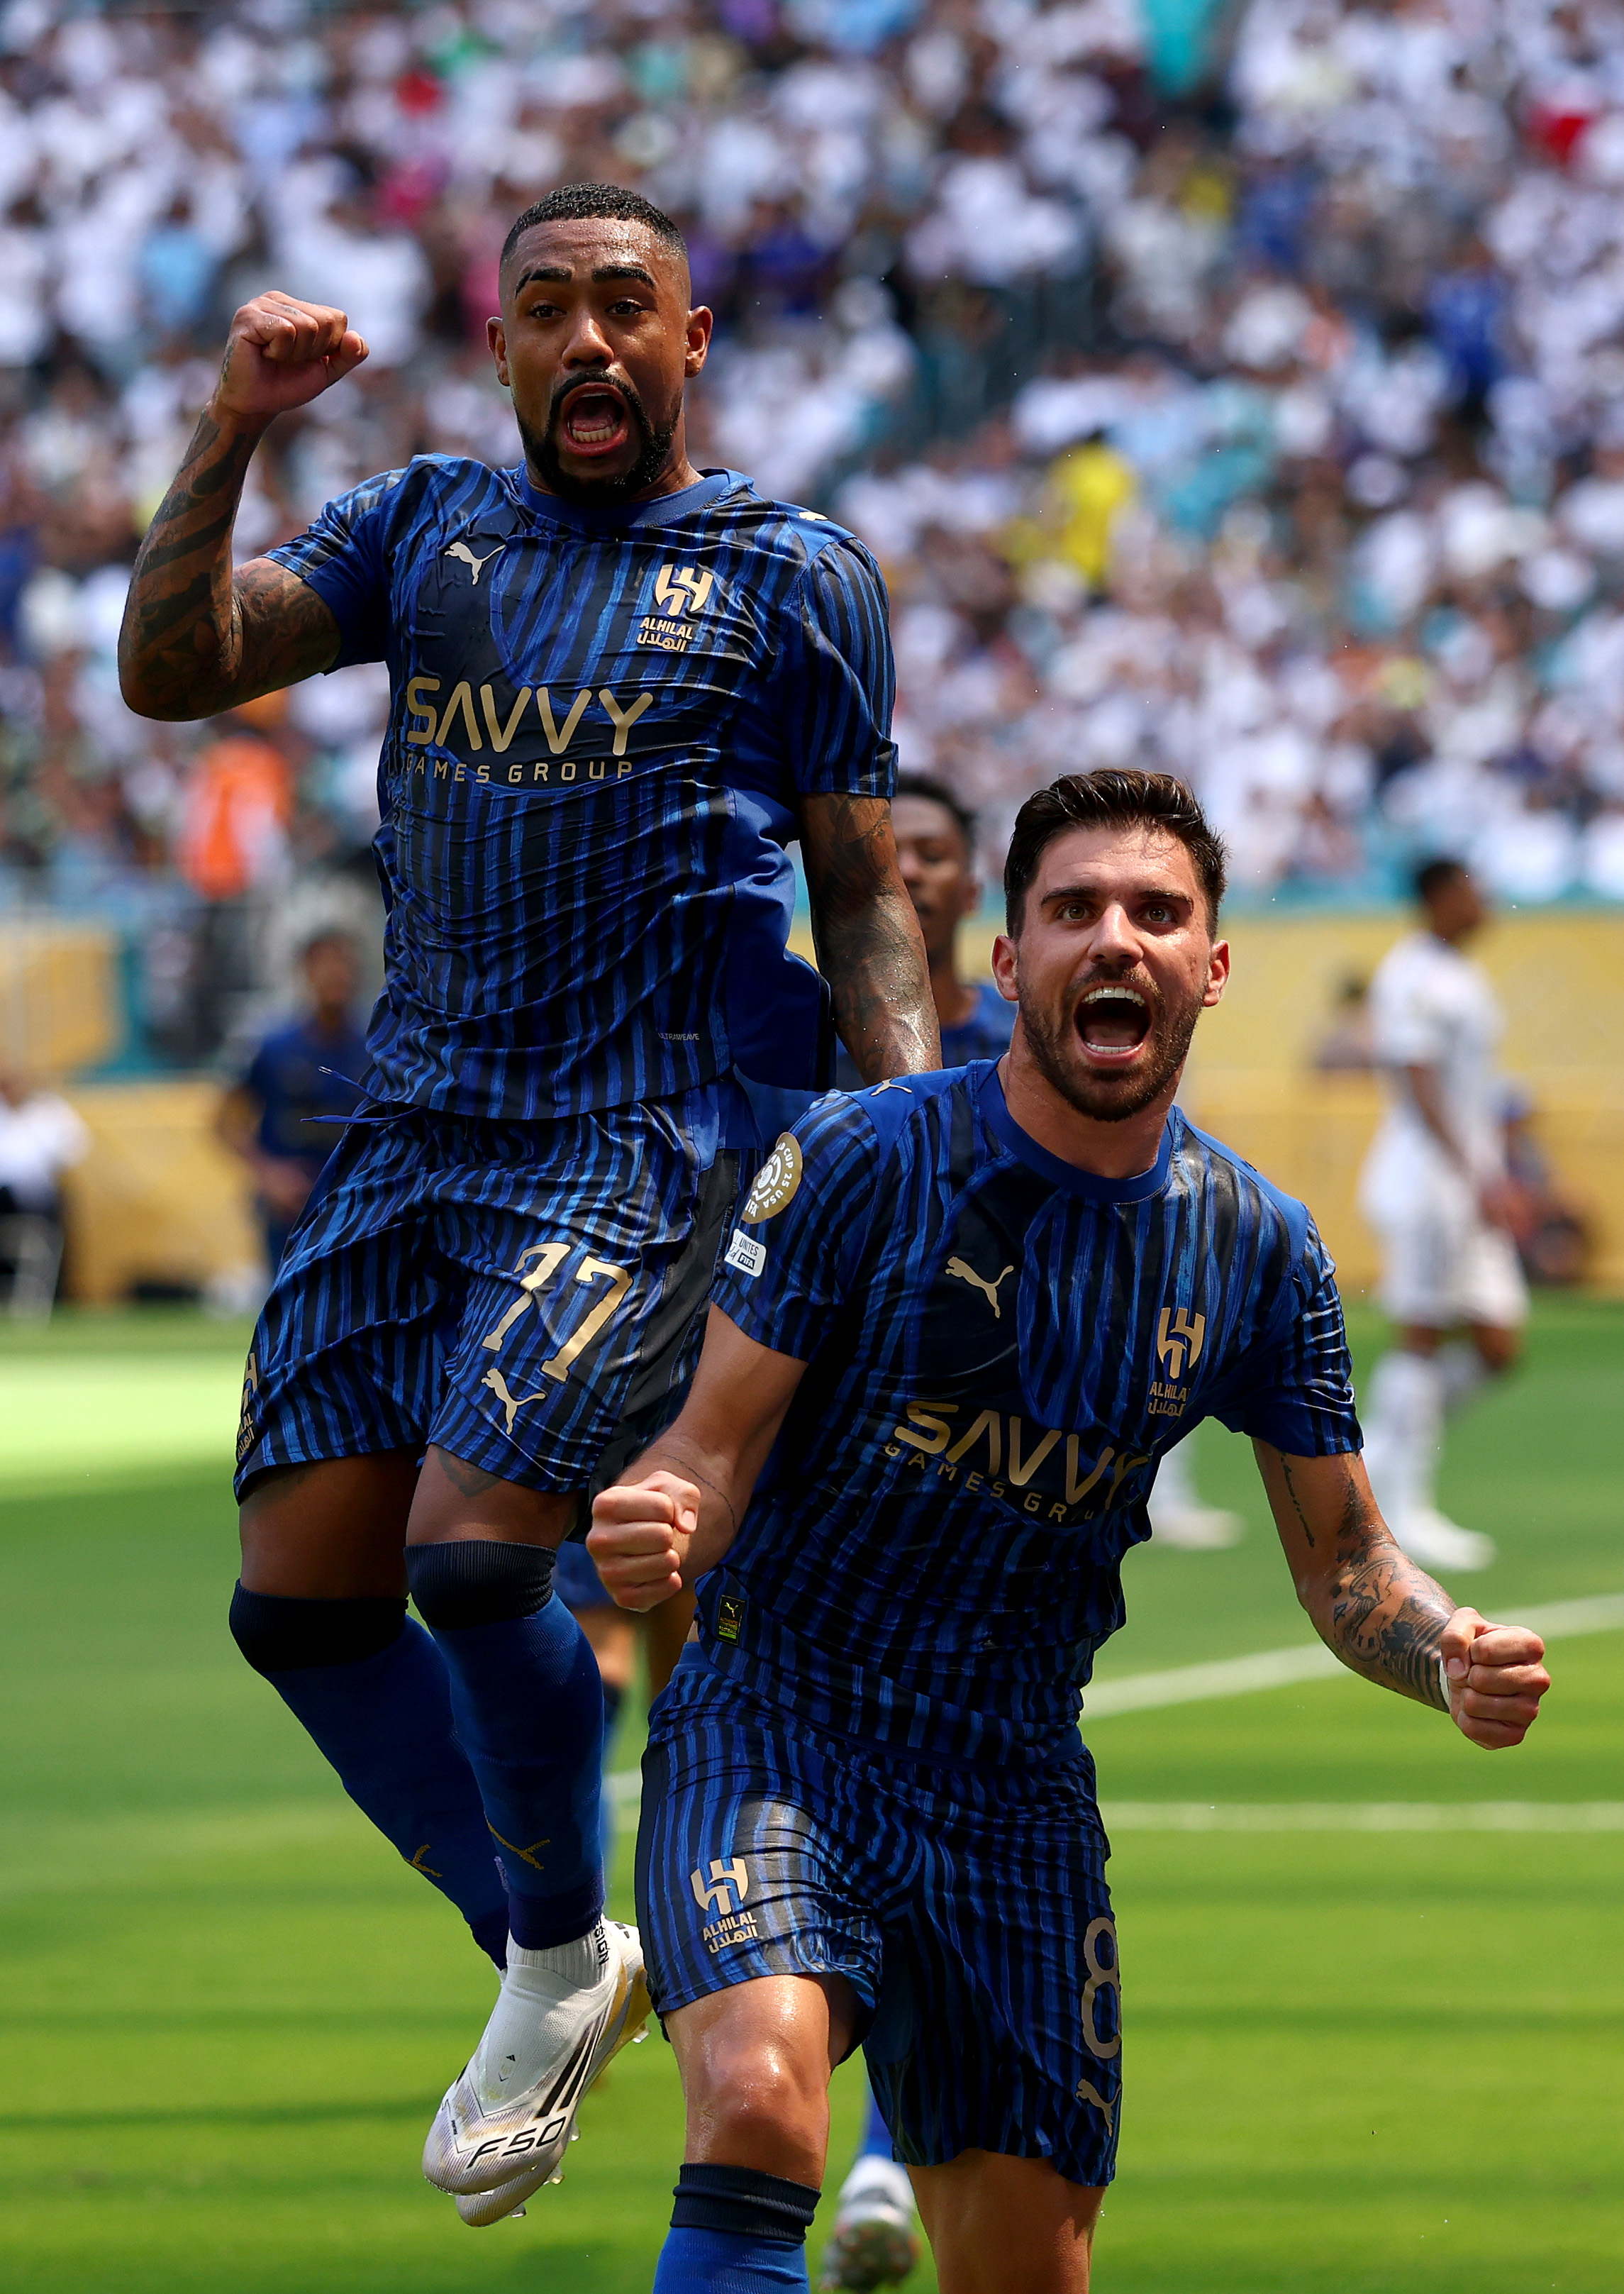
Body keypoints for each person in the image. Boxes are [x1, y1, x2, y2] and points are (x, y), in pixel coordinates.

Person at [117, 182, 937, 2230]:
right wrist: (231, 428)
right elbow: (169, 668)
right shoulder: (421, 529)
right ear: (495, 349)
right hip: (411, 1136)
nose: (588, 339)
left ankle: (567, 1954)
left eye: (625, 305)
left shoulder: (790, 574)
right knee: (299, 1606)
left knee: (476, 1561)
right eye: (547, 307)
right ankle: (562, 1953)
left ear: (691, 340)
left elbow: (859, 890)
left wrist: (913, 1151)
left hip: (632, 1134)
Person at [587, 768, 1550, 2294]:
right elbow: (706, 1444)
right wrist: (661, 1514)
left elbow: (1346, 1561)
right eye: (1074, 908)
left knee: (1027, 2267)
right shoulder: (863, 1159)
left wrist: (1446, 1652)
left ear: (1210, 967)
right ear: (1008, 955)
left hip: (1013, 1785)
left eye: (1156, 911)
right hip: (776, 1722)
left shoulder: (1257, 1249)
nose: (1116, 937)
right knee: (760, 2100)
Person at [1357, 859, 1525, 1574]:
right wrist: (1470, 1171)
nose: (1484, 900)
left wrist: (1495, 1171)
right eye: (1472, 889)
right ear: (1438, 897)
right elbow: (1416, 1076)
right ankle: (1401, 1510)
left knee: (1497, 1342)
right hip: (1426, 1180)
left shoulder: (1463, 973)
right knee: (1420, 1333)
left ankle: (1377, 1454)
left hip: (1467, 1182)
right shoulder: (1412, 973)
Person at [834, 776, 1013, 1093]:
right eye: (881, 855)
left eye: (932, 855)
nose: (907, 872)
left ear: (971, 894)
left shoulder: (1026, 1041)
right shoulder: (798, 1056)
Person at [216, 929, 369, 1269]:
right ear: (305, 971)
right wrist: (269, 1174)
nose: (335, 974)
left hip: (356, 1207)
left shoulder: (376, 1049)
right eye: (324, 963)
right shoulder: (271, 1047)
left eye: (343, 963)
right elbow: (225, 1123)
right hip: (290, 1210)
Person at [0, 1070, 90, 1315]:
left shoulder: (49, 1112)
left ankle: (56, 1294)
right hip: (4, 1194)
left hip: (37, 1195)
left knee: (55, 1212)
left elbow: (74, 1148)